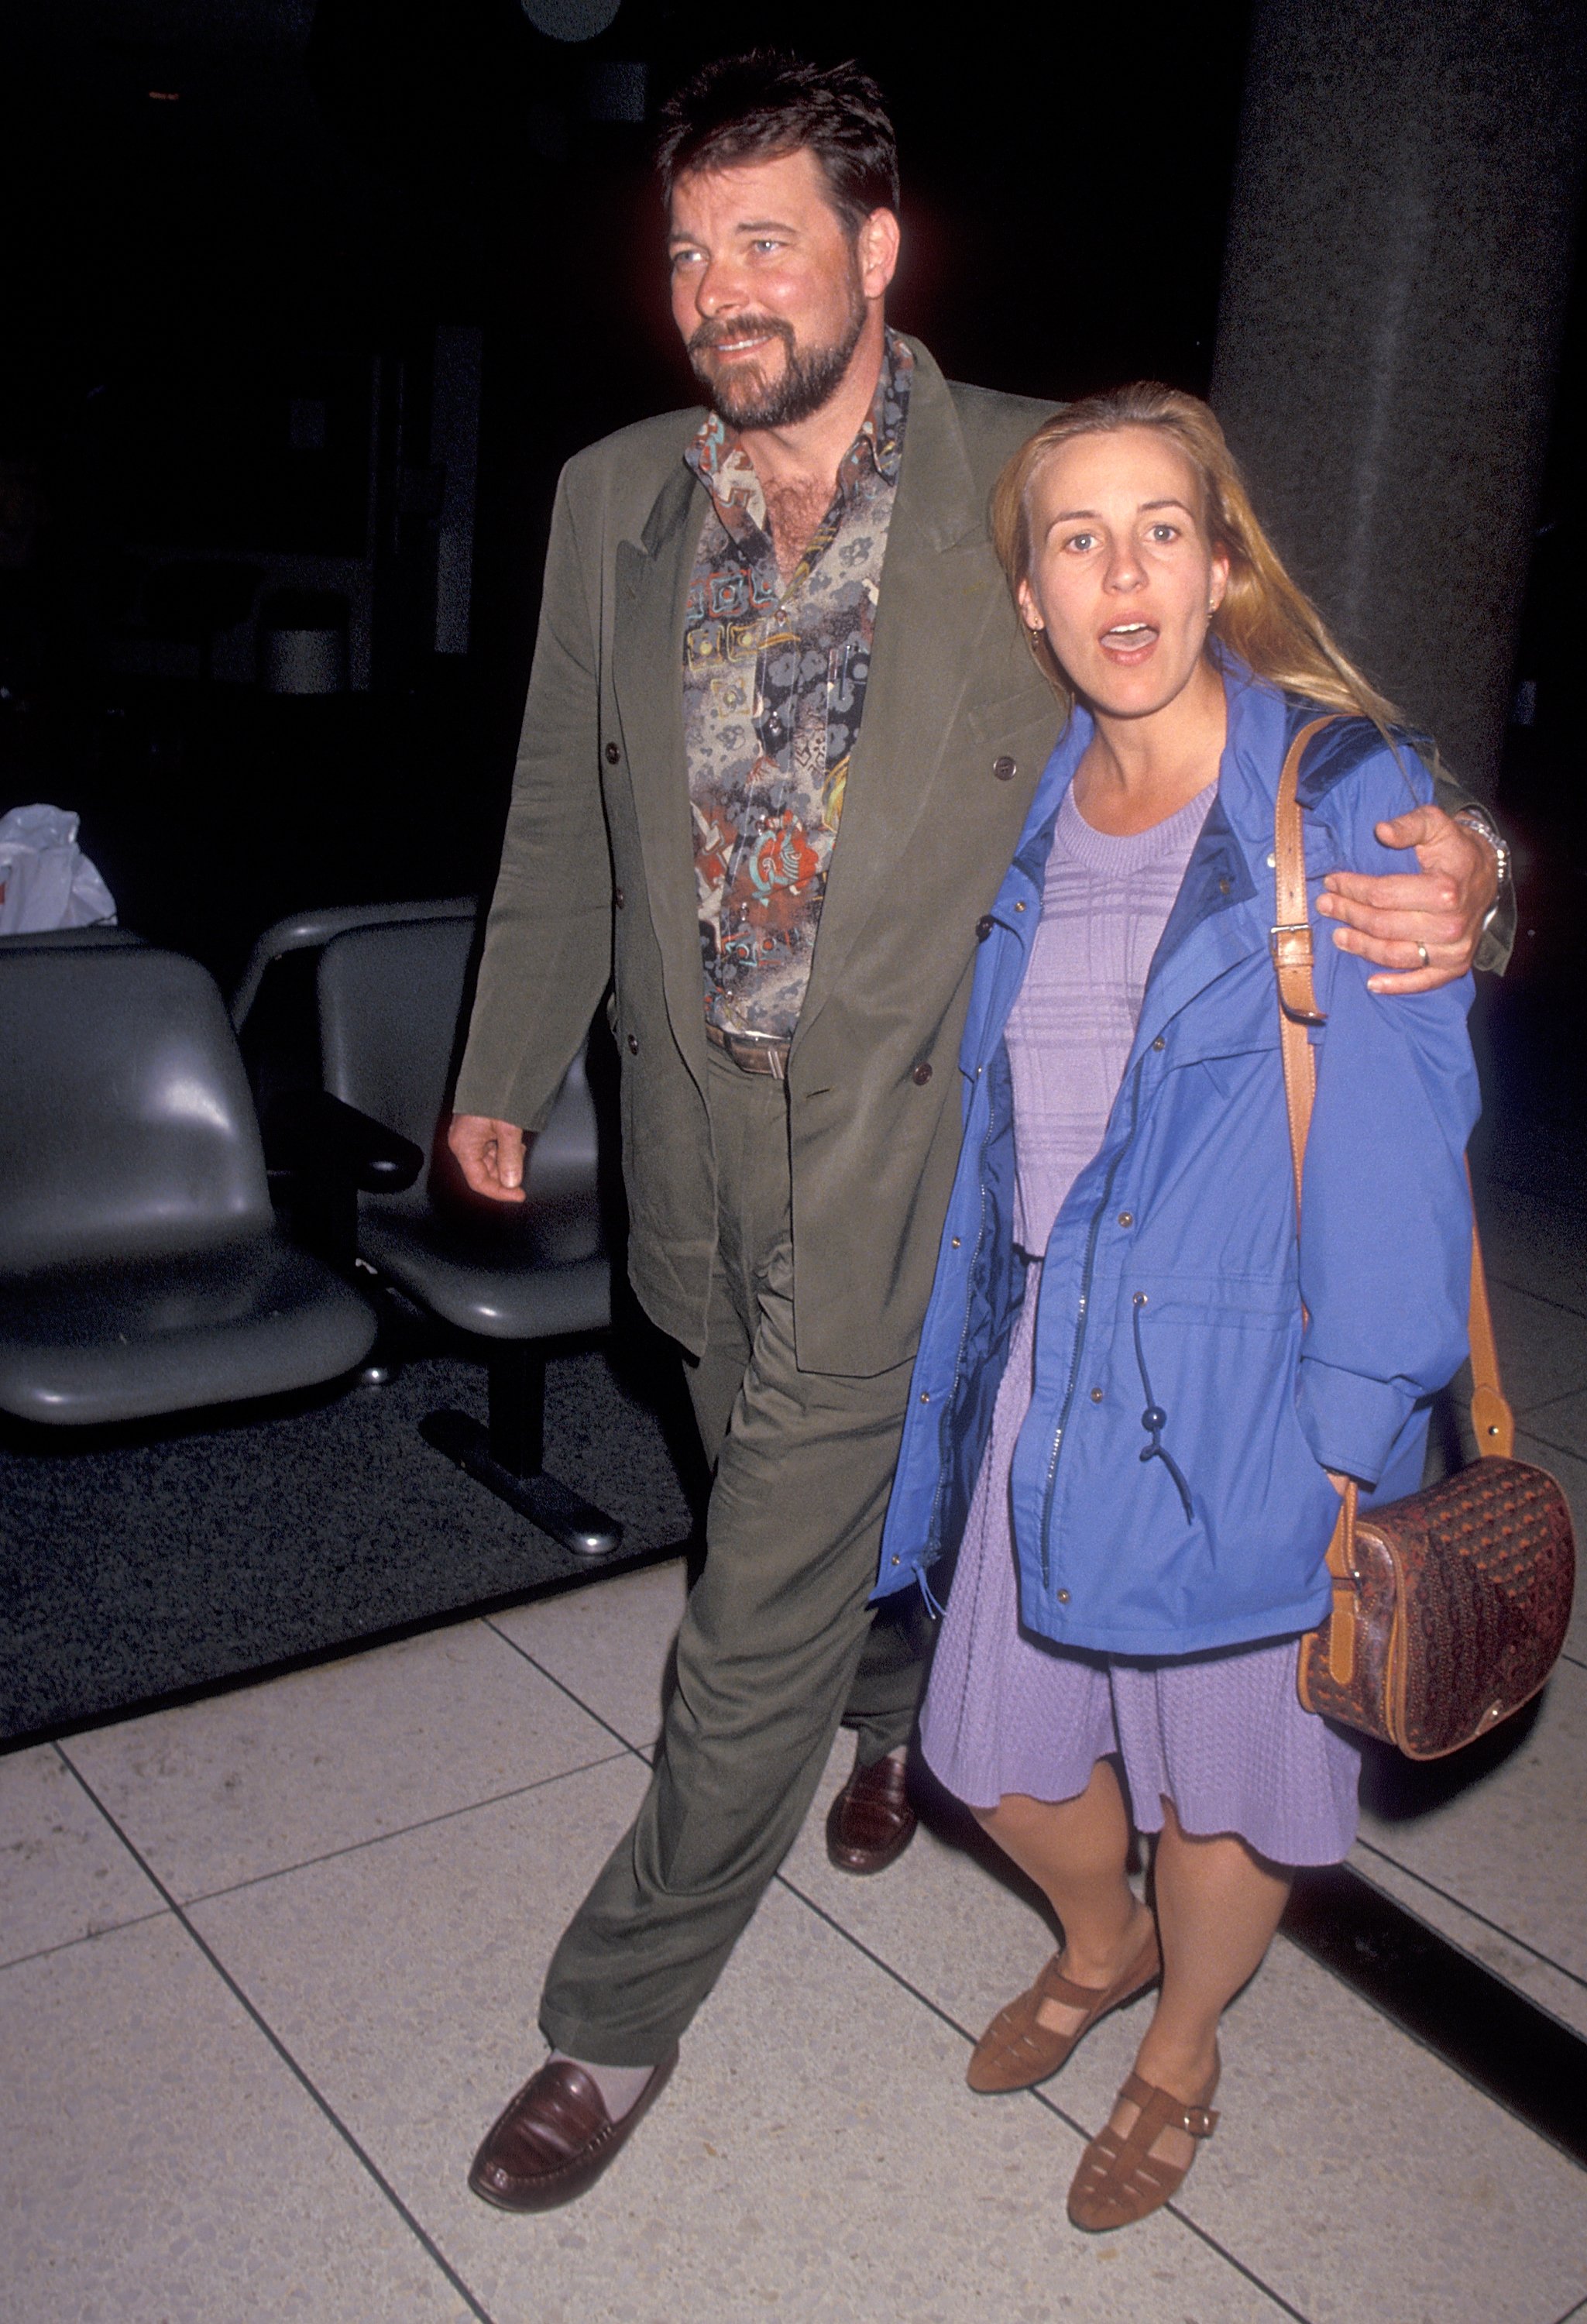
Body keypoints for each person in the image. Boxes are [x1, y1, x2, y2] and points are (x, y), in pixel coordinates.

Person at [447, 53, 1505, 2213]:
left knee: (742, 1595)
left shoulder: (1034, 477)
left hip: (915, 1169)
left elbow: (1261, 672)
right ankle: (882, 1690)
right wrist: (502, 1057)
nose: (719, 290)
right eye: (686, 251)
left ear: (874, 251)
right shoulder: (612, 494)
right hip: (694, 1139)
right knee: (788, 1504)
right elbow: (566, 799)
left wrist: (1475, 862)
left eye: (768, 242)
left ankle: (616, 2013)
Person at [874, 384, 1480, 2233]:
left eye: (1160, 530)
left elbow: (1400, 1139)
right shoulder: (1023, 795)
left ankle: (1182, 2037)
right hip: (1044, 1352)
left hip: (1254, 1380)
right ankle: (1099, 1935)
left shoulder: (1337, 795)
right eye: (1076, 538)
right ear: (1032, 598)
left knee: (1224, 1780)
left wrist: (1346, 1445)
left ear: (1221, 569)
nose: (1120, 570)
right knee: (986, 1747)